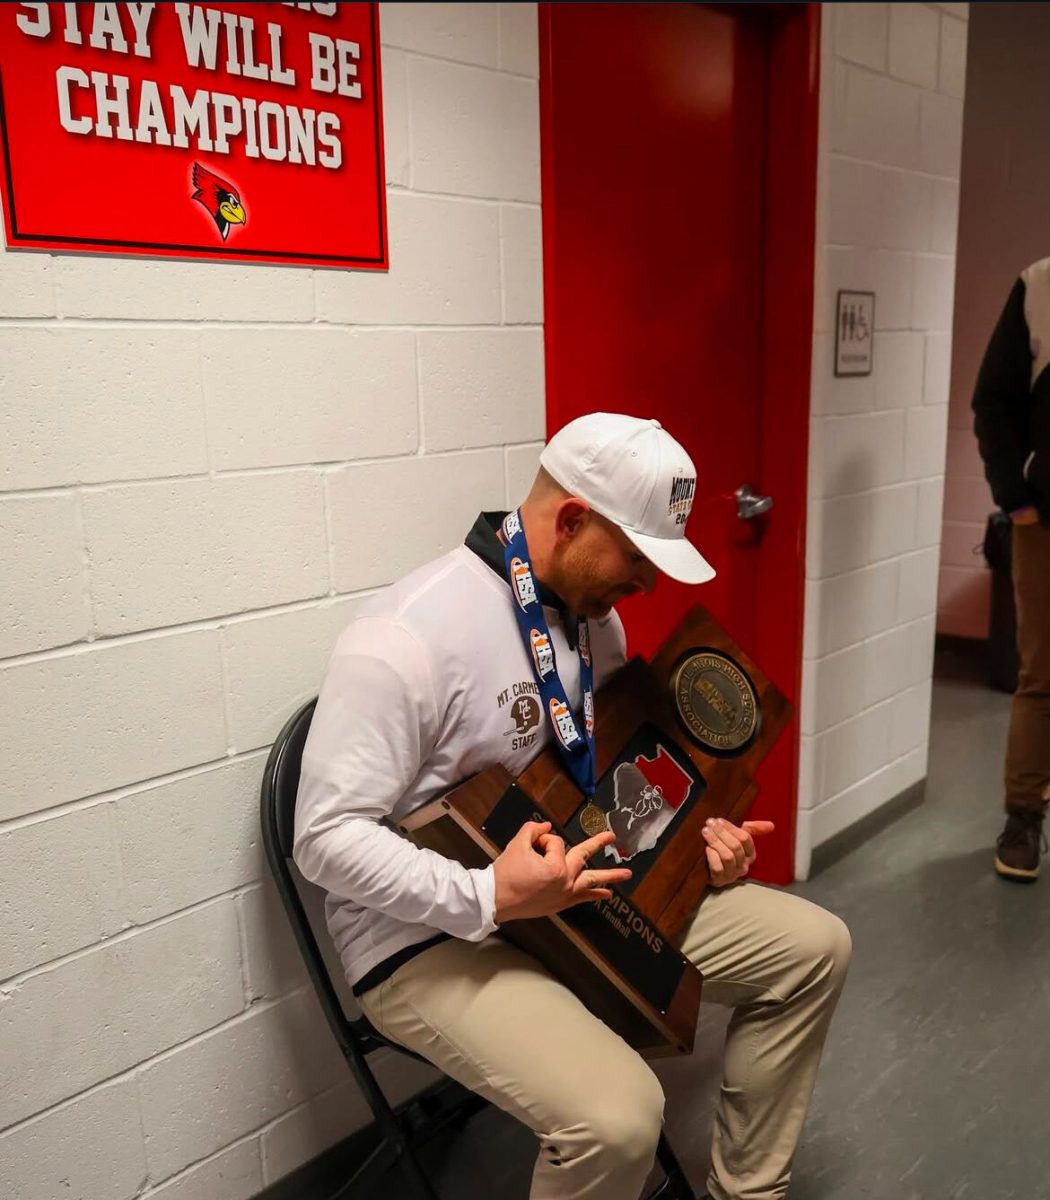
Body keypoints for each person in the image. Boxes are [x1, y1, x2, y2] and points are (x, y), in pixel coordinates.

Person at [295, 413, 851, 1200]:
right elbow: (322, 841)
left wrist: (697, 844)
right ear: (572, 519)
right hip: (428, 937)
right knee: (619, 1118)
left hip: (571, 894)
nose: (647, 584)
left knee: (813, 948)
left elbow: (605, 781)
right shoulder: (405, 635)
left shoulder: (595, 625)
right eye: (636, 557)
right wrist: (490, 895)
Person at [973, 260, 1050, 882]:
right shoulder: (1040, 284)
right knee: (1041, 677)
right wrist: (1016, 498)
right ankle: (1023, 817)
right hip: (1045, 522)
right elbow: (994, 400)